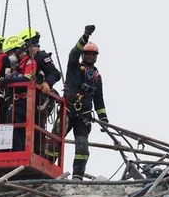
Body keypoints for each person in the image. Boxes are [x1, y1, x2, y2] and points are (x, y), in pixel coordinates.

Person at [53, 24, 108, 179]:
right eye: (87, 54)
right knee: (54, 141)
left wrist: (103, 118)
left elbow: (99, 99)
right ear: (84, 55)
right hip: (68, 111)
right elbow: (73, 53)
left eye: (93, 54)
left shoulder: (96, 77)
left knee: (82, 147)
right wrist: (84, 37)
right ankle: (48, 168)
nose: (90, 56)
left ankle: (78, 176)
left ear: (96, 57)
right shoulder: (74, 67)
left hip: (84, 117)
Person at [19, 27, 62, 155]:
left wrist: (47, 83)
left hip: (40, 101)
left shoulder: (41, 57)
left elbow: (55, 73)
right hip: (25, 99)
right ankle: (23, 151)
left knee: (38, 127)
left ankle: (38, 154)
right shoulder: (25, 61)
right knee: (23, 126)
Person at [0, 36, 36, 151]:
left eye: (10, 53)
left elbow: (27, 79)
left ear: (18, 50)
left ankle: (18, 154)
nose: (9, 56)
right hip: (13, 103)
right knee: (10, 130)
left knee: (18, 132)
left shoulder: (29, 62)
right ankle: (8, 153)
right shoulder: (17, 67)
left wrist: (9, 80)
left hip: (23, 103)